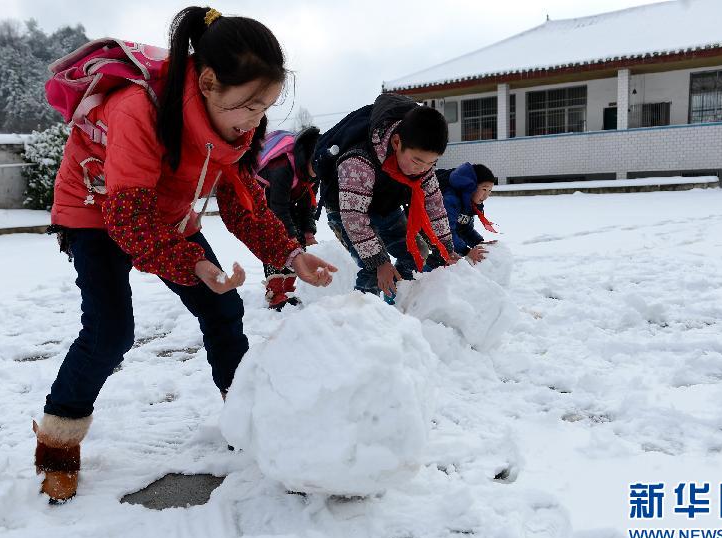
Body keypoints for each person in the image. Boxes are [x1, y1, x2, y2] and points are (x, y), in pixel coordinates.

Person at [35, 6, 336, 503]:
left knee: (222, 307)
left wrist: (289, 253)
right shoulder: (140, 109)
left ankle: (243, 415)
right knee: (110, 331)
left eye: (266, 107)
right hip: (95, 209)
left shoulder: (239, 126)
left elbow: (245, 205)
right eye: (247, 105)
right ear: (208, 80)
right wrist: (194, 263)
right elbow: (127, 219)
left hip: (170, 214)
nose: (254, 120)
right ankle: (57, 446)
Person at [319, 94, 459, 299]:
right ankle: (363, 316)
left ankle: (395, 305)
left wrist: (446, 248)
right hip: (345, 212)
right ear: (396, 142)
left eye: (431, 163)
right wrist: (379, 261)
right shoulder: (358, 162)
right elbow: (354, 218)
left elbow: (434, 205)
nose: (422, 170)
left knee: (416, 253)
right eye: (417, 161)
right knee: (372, 269)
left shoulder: (422, 167)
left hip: (385, 206)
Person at [255, 127, 320, 309]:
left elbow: (307, 205)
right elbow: (278, 208)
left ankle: (289, 289)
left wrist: (308, 233)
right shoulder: (282, 167)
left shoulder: (314, 172)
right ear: (308, 158)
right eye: (316, 168)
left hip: (287, 201)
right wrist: (290, 237)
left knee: (298, 243)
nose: (317, 174)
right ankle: (275, 293)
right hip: (267, 202)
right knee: (275, 243)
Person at [435, 162, 498, 265]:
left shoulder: (469, 203)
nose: (486, 195)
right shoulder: (450, 200)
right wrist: (467, 251)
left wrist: (479, 242)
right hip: (425, 237)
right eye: (484, 189)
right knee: (437, 264)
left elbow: (465, 229)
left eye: (489, 191)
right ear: (471, 186)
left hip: (445, 240)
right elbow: (446, 233)